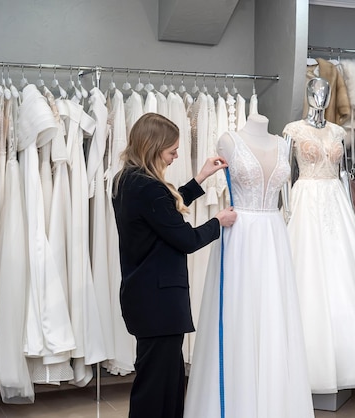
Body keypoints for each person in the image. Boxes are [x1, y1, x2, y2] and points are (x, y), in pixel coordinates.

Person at [183, 114, 314, 418]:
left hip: (273, 235)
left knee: (273, 315)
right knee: (238, 314)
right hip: (239, 233)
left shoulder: (283, 144)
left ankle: (274, 404)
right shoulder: (229, 141)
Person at [112, 112, 237, 418]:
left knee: (163, 382)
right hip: (159, 303)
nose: (176, 155)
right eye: (171, 151)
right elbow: (185, 239)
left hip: (146, 299)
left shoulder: (128, 180)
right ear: (153, 149)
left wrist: (199, 179)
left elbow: (162, 213)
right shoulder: (149, 188)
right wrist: (217, 222)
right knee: (157, 387)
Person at [284, 77, 355, 395]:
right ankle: (304, 363)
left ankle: (349, 359)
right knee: (306, 272)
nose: (319, 96)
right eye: (314, 91)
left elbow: (344, 173)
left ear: (329, 96)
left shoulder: (337, 132)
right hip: (303, 199)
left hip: (335, 202)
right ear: (307, 94)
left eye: (324, 92)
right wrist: (286, 208)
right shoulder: (293, 130)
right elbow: (283, 173)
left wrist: (348, 207)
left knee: (342, 275)